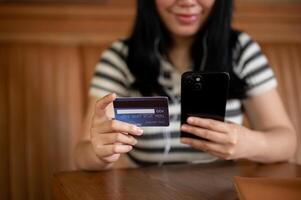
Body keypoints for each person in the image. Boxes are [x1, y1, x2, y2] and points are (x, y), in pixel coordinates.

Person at [74, 0, 296, 170]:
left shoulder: (240, 50)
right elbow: (81, 153)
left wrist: (248, 143)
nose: (188, 1)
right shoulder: (121, 57)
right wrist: (99, 151)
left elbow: (286, 142)